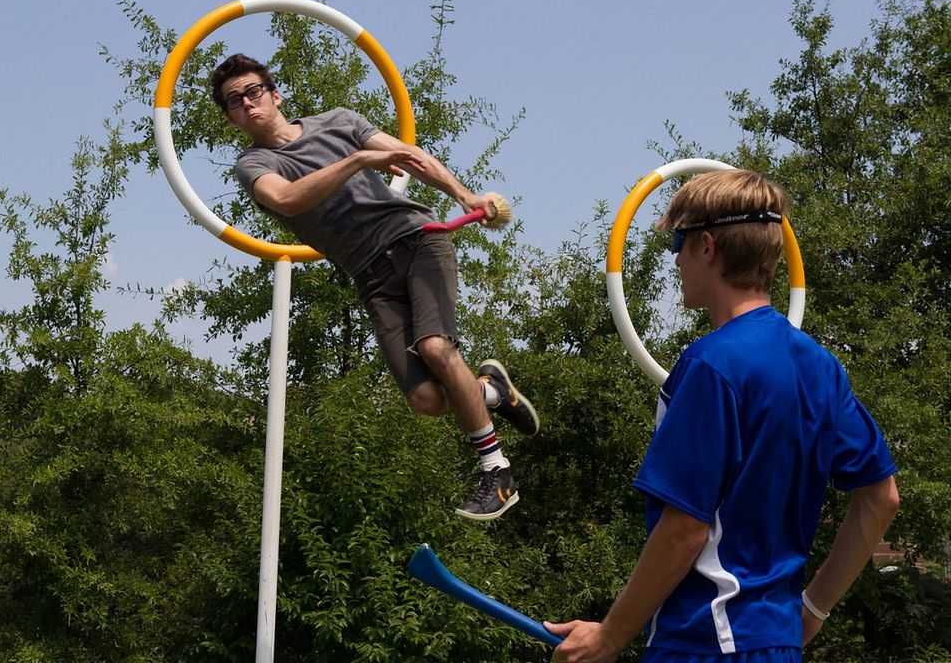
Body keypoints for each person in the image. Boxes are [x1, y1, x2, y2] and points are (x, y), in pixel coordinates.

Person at [545, 170, 899, 662]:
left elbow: (685, 529)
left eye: (677, 241)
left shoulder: (710, 366)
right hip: (776, 645)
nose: (674, 258)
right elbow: (881, 497)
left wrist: (610, 634)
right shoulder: (821, 367)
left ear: (706, 246)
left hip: (706, 643)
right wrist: (813, 609)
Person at [210, 53, 539, 521]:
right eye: (234, 101)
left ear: (275, 94)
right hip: (369, 274)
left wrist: (466, 197)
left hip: (415, 240)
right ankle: (491, 392)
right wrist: (360, 159)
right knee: (426, 399)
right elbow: (286, 199)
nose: (246, 103)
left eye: (253, 91)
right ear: (231, 118)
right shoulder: (255, 163)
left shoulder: (339, 121)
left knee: (435, 349)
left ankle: (496, 473)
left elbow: (411, 158)